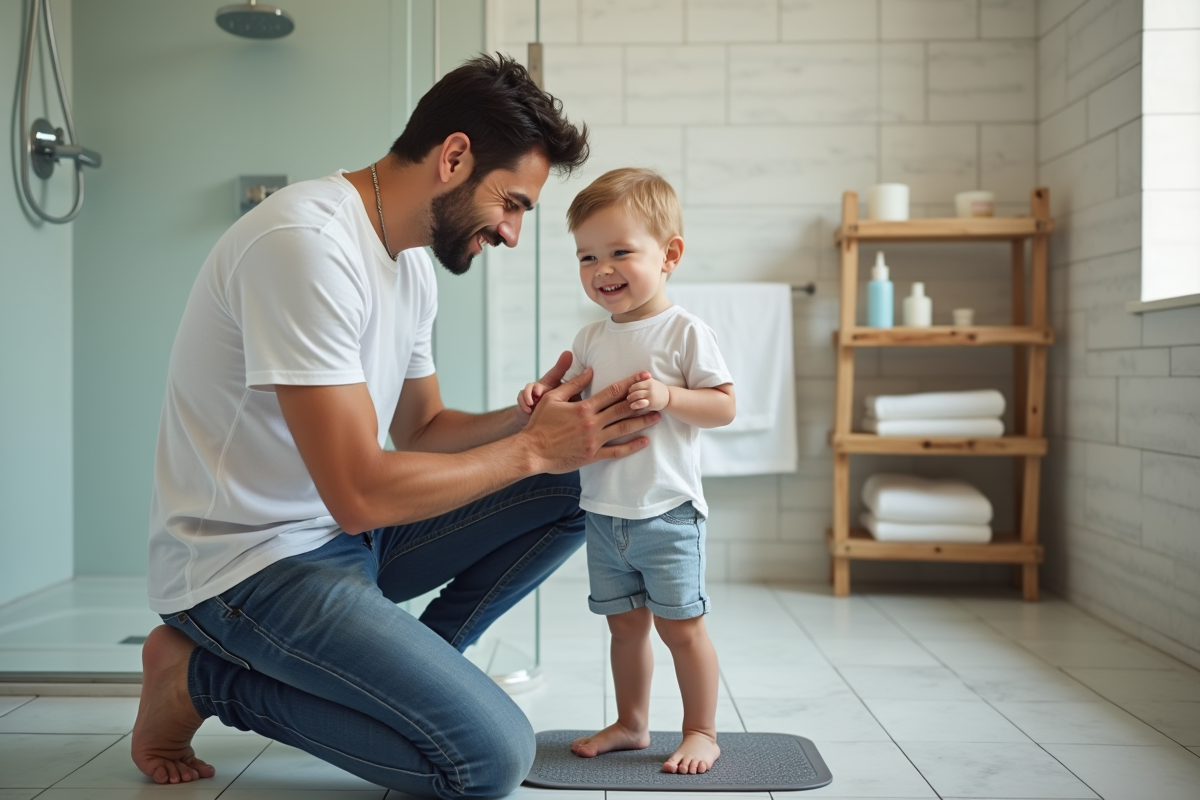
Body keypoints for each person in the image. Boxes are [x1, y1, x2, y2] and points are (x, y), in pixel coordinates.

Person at [132, 55, 663, 799]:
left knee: (582, 475)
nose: (512, 233)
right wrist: (529, 449)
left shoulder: (409, 260)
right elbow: (358, 491)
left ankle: (421, 665)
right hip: (247, 567)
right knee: (487, 762)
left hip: (343, 539)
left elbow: (425, 429)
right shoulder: (305, 245)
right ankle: (198, 678)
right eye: (511, 203)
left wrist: (536, 421)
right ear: (453, 158)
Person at [518, 168, 736, 774]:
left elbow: (723, 405)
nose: (602, 269)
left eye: (620, 252)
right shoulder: (591, 336)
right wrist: (541, 392)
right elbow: (567, 392)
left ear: (669, 255)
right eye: (587, 256)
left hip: (666, 511)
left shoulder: (685, 332)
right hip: (605, 512)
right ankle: (633, 723)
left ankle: (701, 731)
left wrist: (669, 398)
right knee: (624, 630)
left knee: (682, 629)